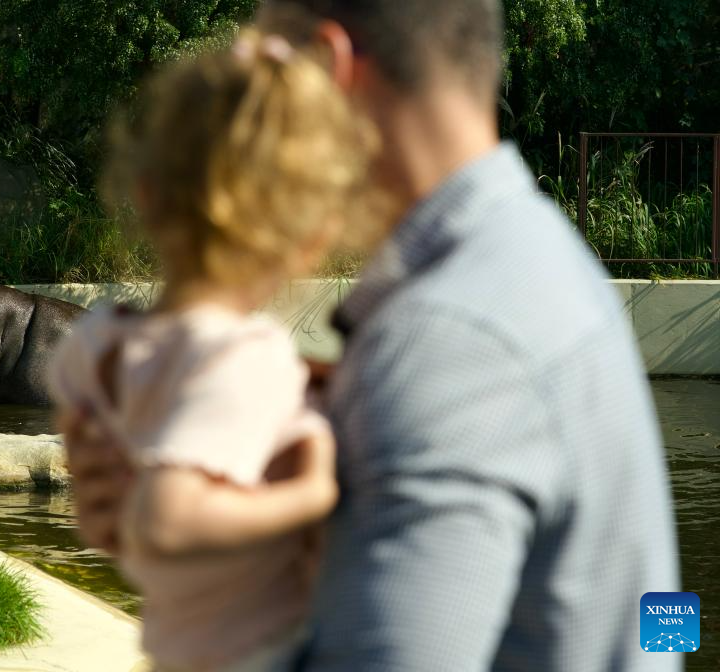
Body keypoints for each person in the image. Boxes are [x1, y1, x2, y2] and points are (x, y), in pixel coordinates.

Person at [65, 1, 682, 670]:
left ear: (330, 68)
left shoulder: (447, 342)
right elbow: (662, 627)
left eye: (268, 77)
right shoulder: (532, 260)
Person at [50, 26, 386, 672]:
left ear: (147, 196)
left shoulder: (100, 343)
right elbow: (166, 520)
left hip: (171, 646)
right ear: (310, 241)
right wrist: (311, 496)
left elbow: (109, 521)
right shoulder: (248, 358)